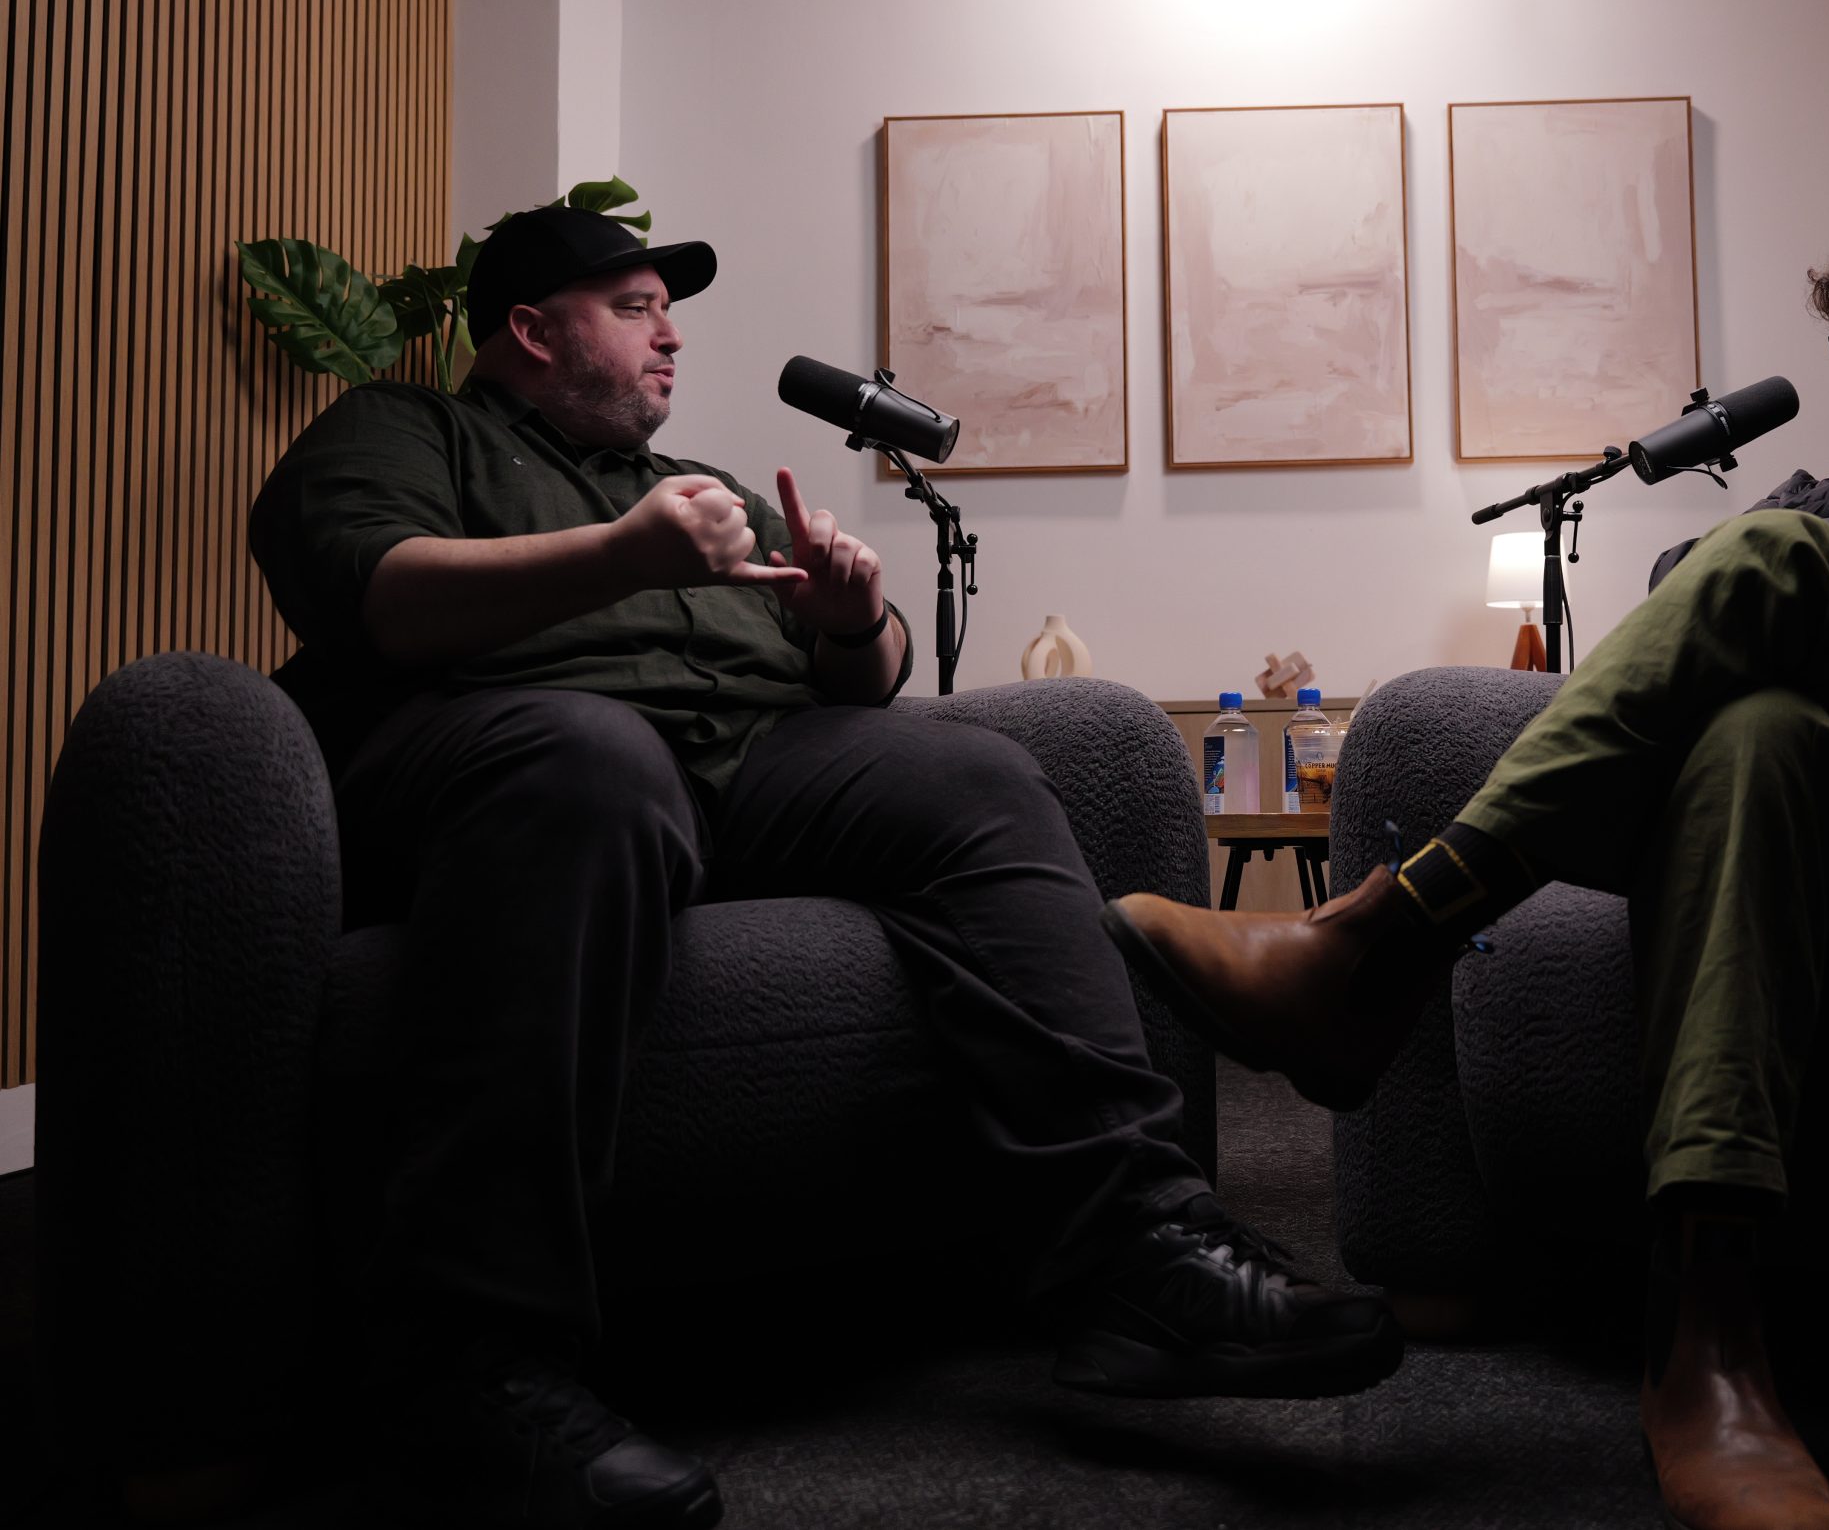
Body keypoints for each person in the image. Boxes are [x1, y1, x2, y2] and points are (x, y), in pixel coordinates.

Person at [249, 206, 1401, 1529]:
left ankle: (1137, 1255)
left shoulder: (700, 488)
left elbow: (865, 675)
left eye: (667, 311)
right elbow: (379, 595)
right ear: (530, 329)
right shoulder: (407, 433)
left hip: (739, 762)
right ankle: (471, 1361)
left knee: (972, 777)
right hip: (507, 753)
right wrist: (622, 558)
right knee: (591, 762)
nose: (671, 336)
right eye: (633, 308)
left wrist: (855, 624)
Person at [1103, 213, 1829, 1530]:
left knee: (1768, 566)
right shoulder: (1813, 492)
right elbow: (1683, 589)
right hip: (1822, 788)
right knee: (1757, 733)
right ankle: (1710, 1355)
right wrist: (1779, 599)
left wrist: (1812, 586)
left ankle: (1380, 944)